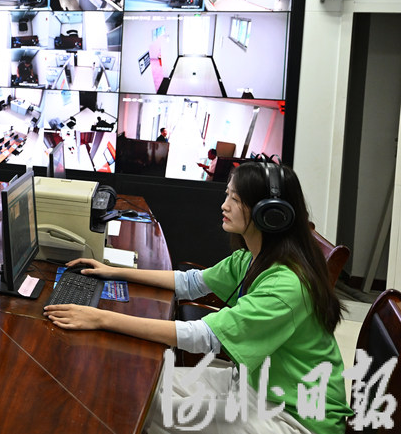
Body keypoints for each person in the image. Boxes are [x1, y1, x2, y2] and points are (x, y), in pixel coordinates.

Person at [44, 162, 351, 434]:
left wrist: (101, 318)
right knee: (140, 387)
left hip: (295, 416)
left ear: (270, 214)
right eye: (227, 195)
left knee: (140, 406)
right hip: (253, 383)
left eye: (235, 199)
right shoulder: (254, 258)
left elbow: (204, 337)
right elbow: (190, 283)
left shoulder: (286, 285)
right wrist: (113, 271)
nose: (224, 205)